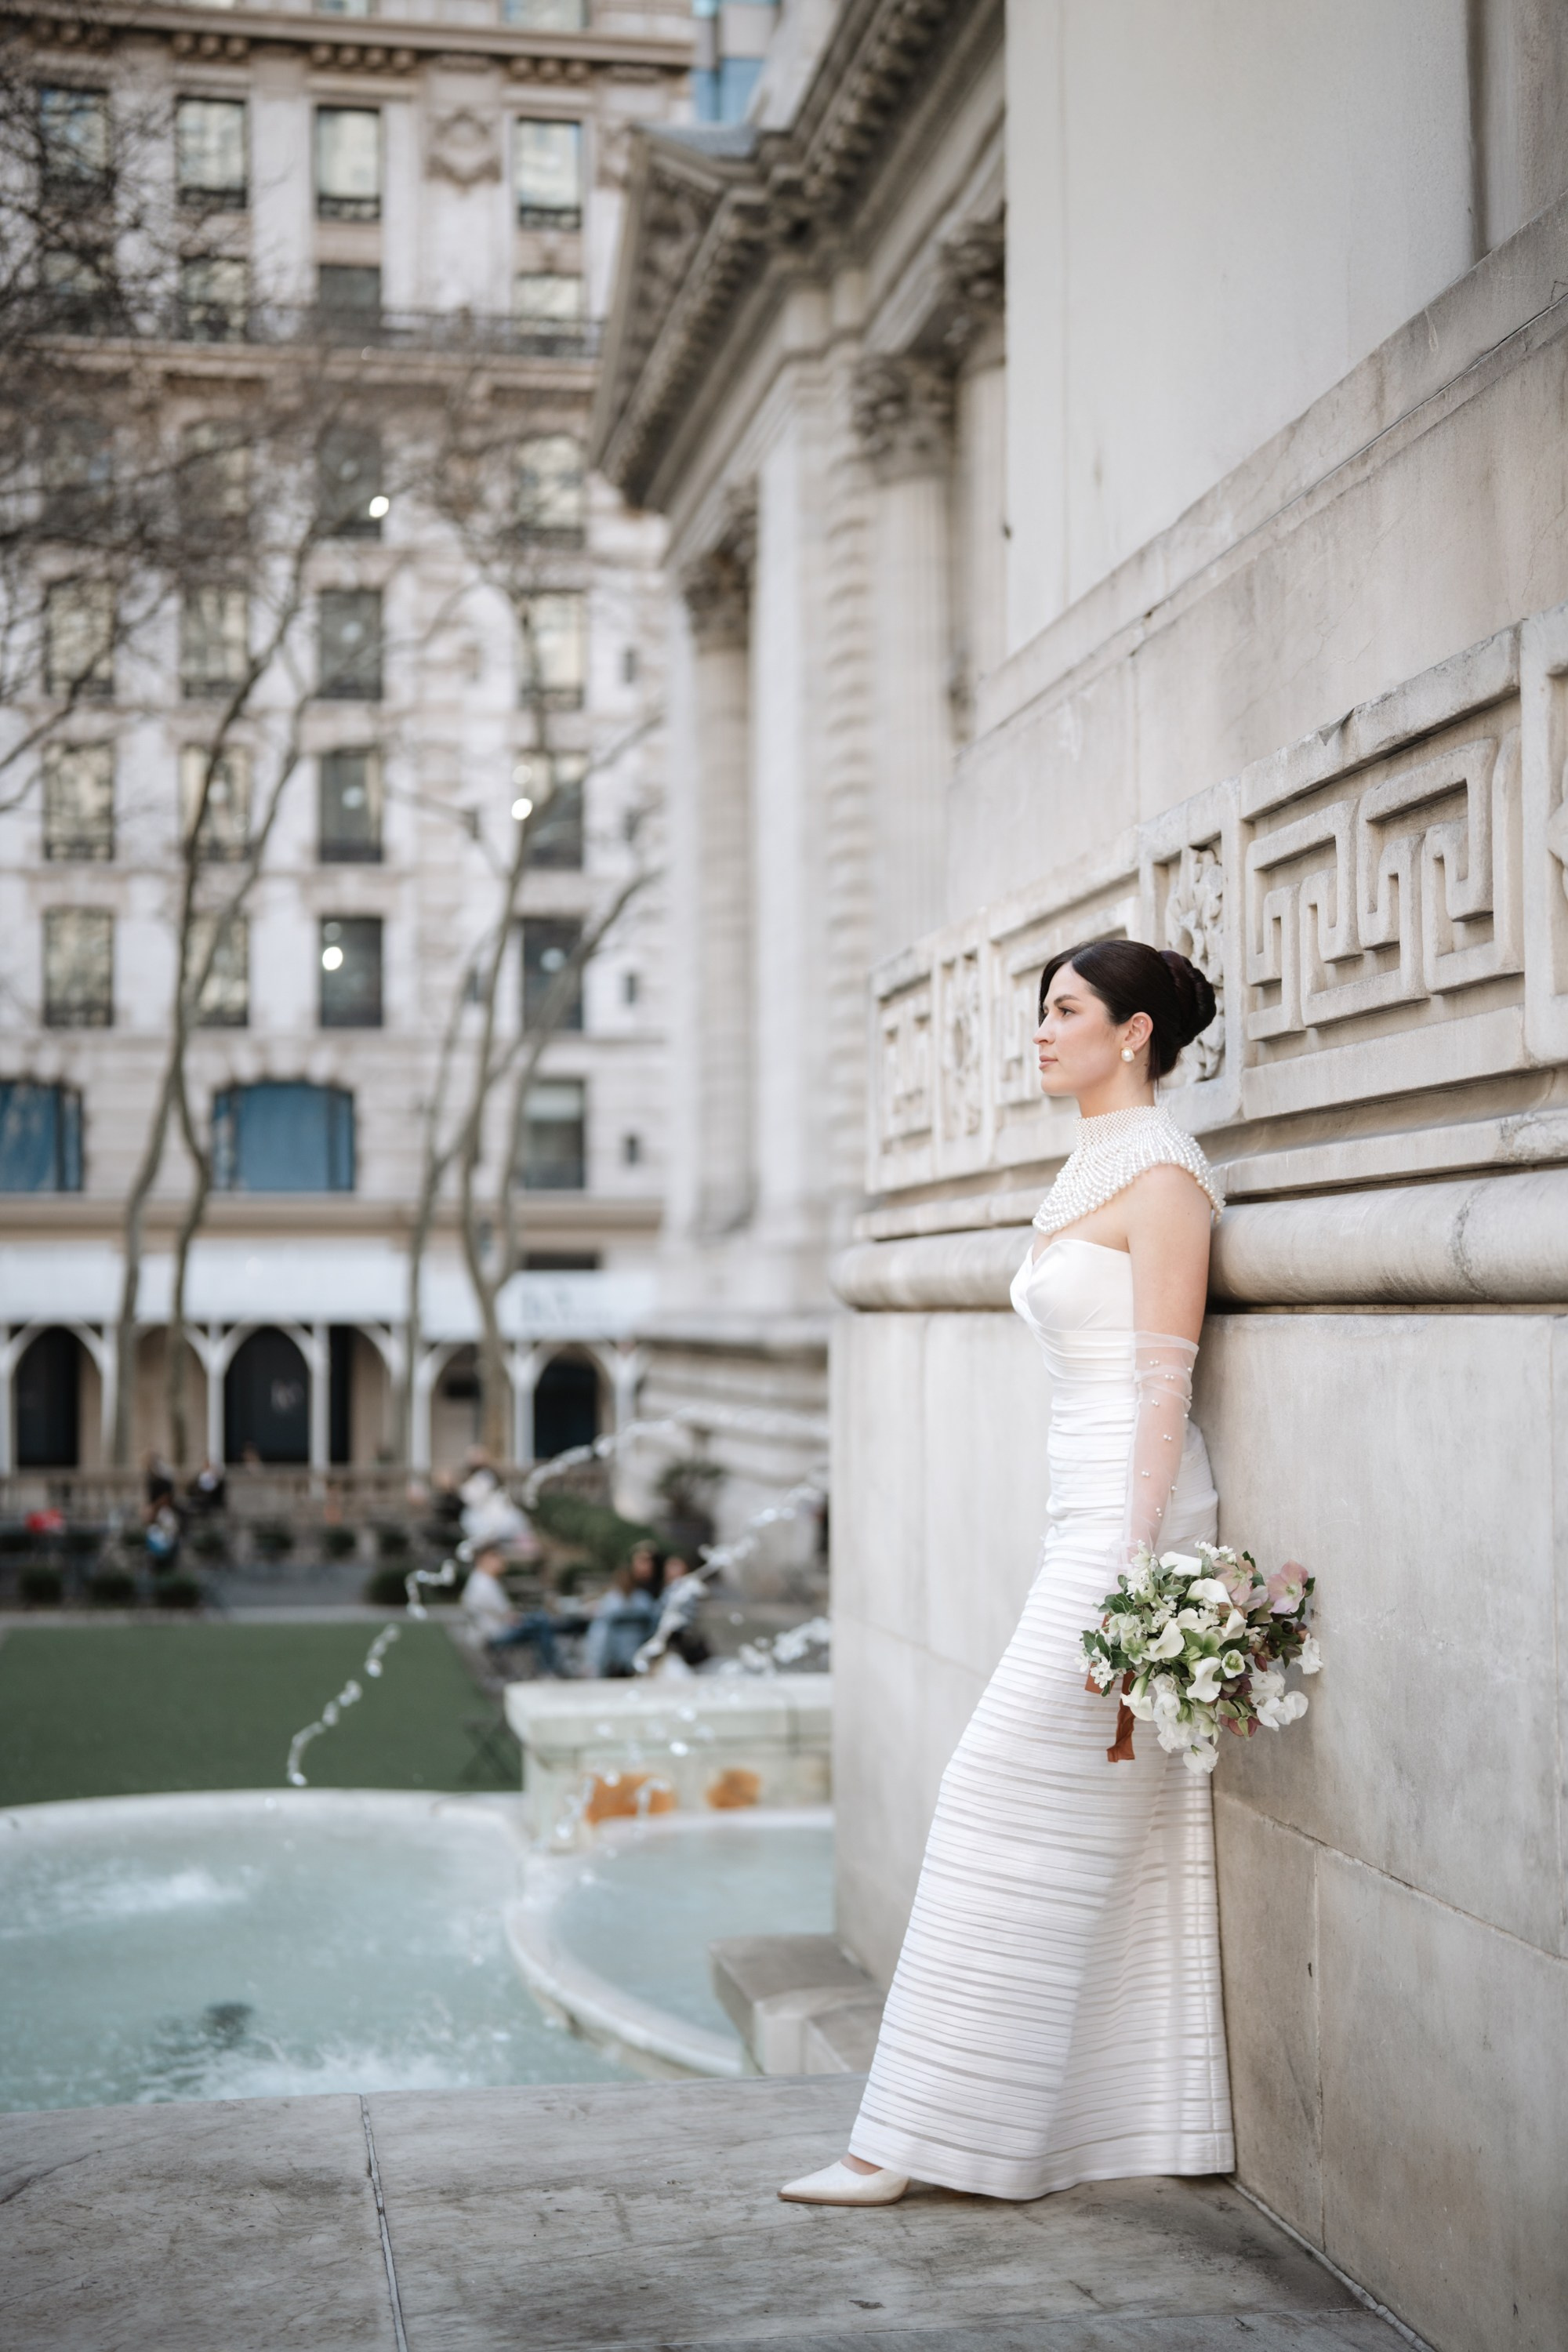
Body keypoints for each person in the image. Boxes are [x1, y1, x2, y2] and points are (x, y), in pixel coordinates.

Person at [782, 938, 1232, 2207]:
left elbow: (1163, 1382)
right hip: (1078, 1514)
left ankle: (902, 2144)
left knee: (984, 1792)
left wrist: (1139, 1579)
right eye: (1042, 1010)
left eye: (1066, 1010)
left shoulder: (1166, 1179)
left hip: (1133, 1529)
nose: (1040, 1032)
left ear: (1135, 1032)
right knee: (1075, 1824)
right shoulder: (1089, 1160)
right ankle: (1136, 2120)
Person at [582, 1548, 661, 1678]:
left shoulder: (643, 1599)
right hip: (614, 1656)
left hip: (637, 1650)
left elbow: (653, 1625)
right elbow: (600, 1634)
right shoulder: (611, 1600)